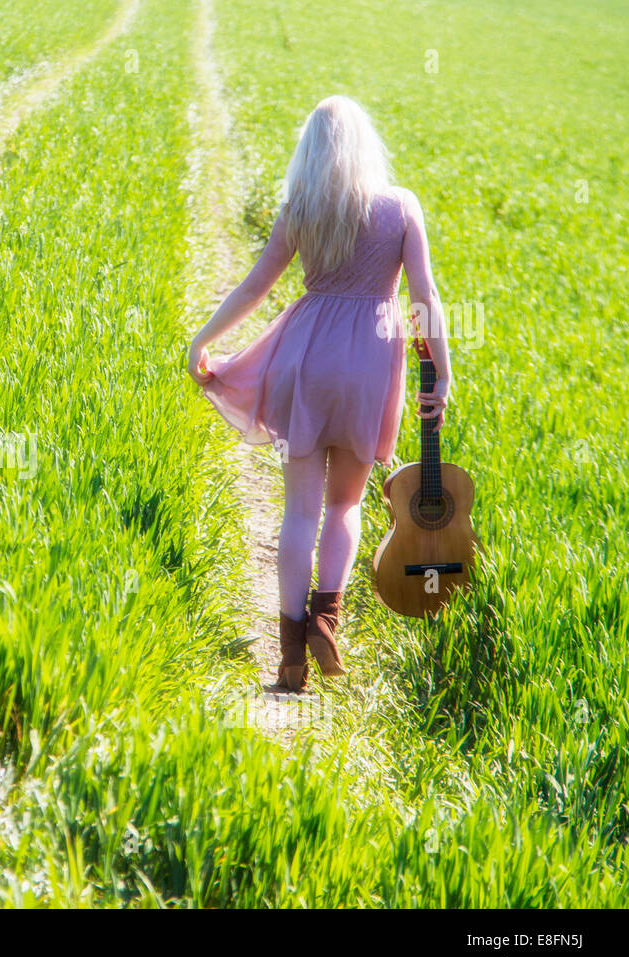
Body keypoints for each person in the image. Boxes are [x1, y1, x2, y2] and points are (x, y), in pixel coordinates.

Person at [186, 95, 452, 692]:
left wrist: (203, 338)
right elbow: (424, 297)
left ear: (312, 151)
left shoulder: (302, 209)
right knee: (344, 507)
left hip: (306, 363)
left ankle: (288, 654)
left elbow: (257, 285)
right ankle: (326, 622)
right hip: (369, 368)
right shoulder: (401, 208)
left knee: (300, 510)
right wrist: (442, 365)